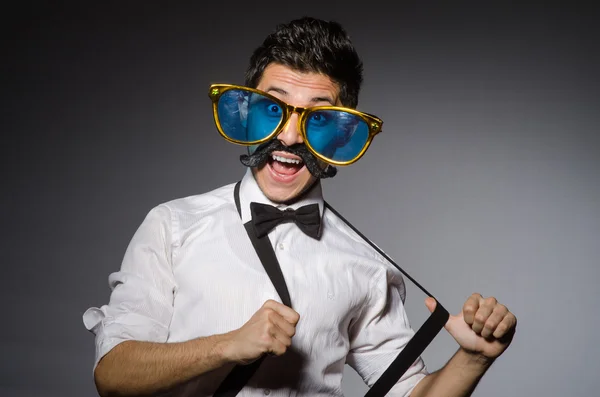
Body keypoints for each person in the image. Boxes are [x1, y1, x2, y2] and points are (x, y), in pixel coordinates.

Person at [83, 16, 517, 397]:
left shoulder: (367, 265)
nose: (289, 137)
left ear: (344, 135)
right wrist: (226, 345)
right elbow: (114, 375)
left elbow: (411, 393)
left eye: (319, 117)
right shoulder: (172, 226)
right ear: (248, 109)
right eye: (273, 108)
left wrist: (475, 359)